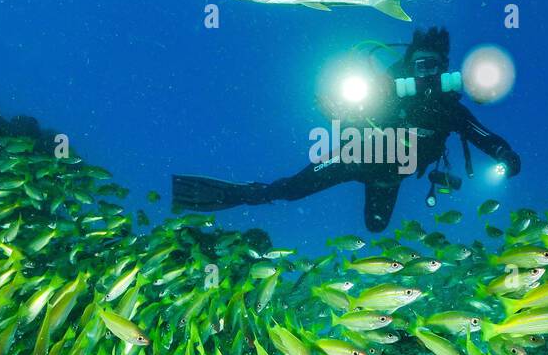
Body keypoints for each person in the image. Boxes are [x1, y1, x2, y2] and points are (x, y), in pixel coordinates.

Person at [172, 27, 521, 232]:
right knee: (291, 190)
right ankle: (239, 194)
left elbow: (482, 135)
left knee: (376, 226)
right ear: (408, 67)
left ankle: (376, 187)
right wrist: (338, 109)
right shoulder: (386, 91)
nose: (426, 73)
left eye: (433, 66)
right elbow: (351, 112)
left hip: (392, 177)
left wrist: (504, 153)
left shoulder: (451, 111)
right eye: (420, 65)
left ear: (444, 69)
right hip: (355, 157)